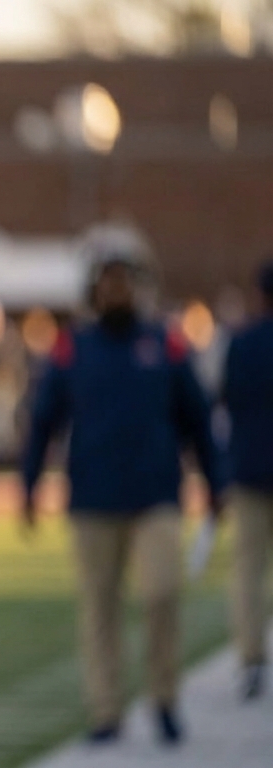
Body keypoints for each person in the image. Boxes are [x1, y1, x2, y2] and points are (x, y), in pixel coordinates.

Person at [21, 252, 224, 745]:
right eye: (109, 283)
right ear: (95, 291)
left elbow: (197, 418)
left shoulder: (165, 343)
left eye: (125, 282)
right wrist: (29, 484)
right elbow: (44, 420)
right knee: (99, 608)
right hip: (93, 497)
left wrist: (215, 481)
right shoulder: (74, 347)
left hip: (156, 495)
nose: (117, 291)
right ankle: (106, 709)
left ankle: (164, 698)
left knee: (161, 593)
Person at [222, 259, 273, 701]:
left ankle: (252, 657)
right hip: (253, 465)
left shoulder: (243, 343)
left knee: (249, 571)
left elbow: (229, 399)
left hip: (251, 468)